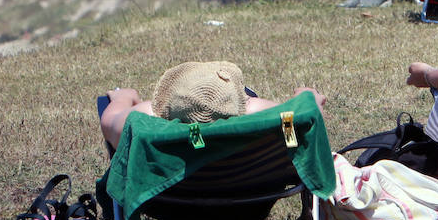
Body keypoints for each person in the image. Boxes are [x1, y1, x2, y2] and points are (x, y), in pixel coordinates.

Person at [100, 60, 327, 150]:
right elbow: (307, 123)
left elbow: (109, 121)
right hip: (251, 201)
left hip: (170, 204)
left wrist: (123, 97)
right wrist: (307, 96)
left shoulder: (145, 129)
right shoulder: (279, 123)